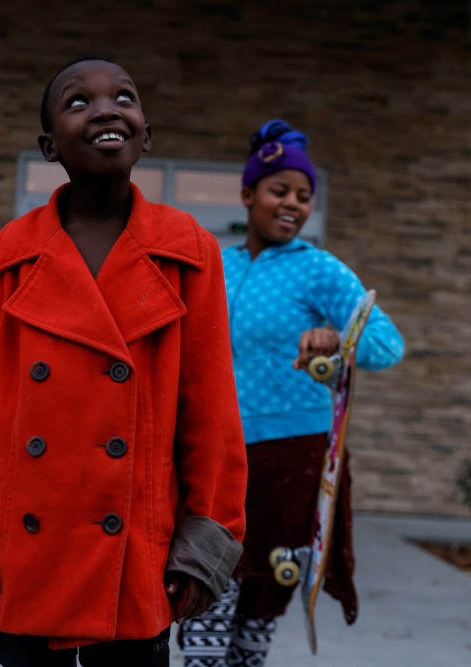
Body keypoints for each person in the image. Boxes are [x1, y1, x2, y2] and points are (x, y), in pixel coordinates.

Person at [0, 56, 248, 667]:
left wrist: (204, 545)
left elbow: (210, 413)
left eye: (123, 97)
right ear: (49, 146)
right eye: (78, 101)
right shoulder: (3, 256)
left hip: (135, 554)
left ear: (145, 134)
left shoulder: (190, 252)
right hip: (28, 552)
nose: (105, 108)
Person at [180, 120, 405, 666]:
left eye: (304, 196)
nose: (293, 205)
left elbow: (386, 343)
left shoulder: (319, 270)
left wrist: (339, 340)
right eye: (279, 191)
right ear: (247, 195)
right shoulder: (214, 266)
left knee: (260, 606)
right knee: (205, 587)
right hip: (215, 454)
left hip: (291, 458)